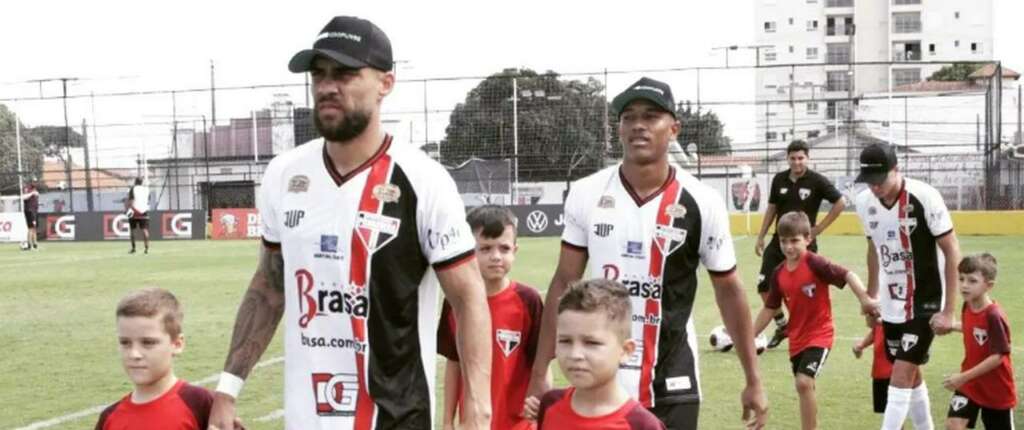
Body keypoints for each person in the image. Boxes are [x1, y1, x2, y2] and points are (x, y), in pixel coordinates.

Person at [207, 16, 493, 430]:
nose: (326, 86)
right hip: (307, 418)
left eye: (344, 74)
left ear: (385, 84)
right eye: (318, 75)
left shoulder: (424, 180)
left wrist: (478, 410)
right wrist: (228, 389)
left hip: (397, 418)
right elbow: (269, 288)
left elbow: (469, 300)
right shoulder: (284, 175)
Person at [528, 77, 768, 429]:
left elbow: (729, 290)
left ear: (673, 129)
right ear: (619, 128)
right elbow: (565, 280)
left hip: (673, 382)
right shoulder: (586, 193)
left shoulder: (703, 201)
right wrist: (540, 370)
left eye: (651, 116)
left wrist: (754, 378)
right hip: (599, 384)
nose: (638, 124)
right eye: (629, 116)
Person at [853, 142, 961, 430]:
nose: (875, 188)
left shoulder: (924, 196)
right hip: (890, 303)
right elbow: (874, 250)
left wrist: (949, 310)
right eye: (869, 182)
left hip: (926, 298)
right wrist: (871, 296)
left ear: (896, 170)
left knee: (899, 374)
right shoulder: (863, 202)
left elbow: (952, 250)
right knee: (911, 373)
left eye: (880, 180)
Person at [750, 212, 878, 430]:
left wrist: (865, 298)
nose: (788, 247)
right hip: (797, 340)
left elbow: (847, 275)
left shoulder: (815, 263)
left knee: (803, 382)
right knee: (804, 387)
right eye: (783, 241)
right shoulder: (778, 273)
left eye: (795, 241)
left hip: (820, 334)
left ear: (808, 239)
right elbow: (770, 308)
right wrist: (748, 335)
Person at [437, 205, 544, 430]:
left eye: (504, 248)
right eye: (485, 249)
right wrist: (447, 420)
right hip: (473, 423)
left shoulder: (528, 300)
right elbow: (454, 363)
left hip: (518, 425)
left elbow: (540, 366)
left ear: (515, 250)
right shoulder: (455, 300)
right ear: (468, 250)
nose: (496, 257)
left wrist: (539, 417)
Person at [531, 279, 665, 430]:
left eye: (591, 343)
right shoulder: (550, 404)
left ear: (626, 350)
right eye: (566, 341)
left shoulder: (642, 425)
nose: (575, 354)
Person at [754, 140, 846, 349]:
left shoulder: (817, 181)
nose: (797, 162)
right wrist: (761, 235)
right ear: (787, 159)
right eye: (793, 158)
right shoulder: (779, 179)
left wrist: (819, 228)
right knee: (763, 286)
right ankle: (782, 325)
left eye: (801, 158)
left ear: (807, 158)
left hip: (804, 245)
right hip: (779, 243)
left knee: (802, 291)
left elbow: (840, 202)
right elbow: (772, 208)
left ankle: (808, 331)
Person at [95, 288, 216, 430]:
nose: (134, 354)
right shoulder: (110, 418)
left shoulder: (201, 403)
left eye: (148, 342)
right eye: (125, 342)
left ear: (177, 344)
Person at [943, 253, 1016, 430]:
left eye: (972, 281)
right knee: (954, 425)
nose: (964, 285)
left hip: (996, 390)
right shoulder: (967, 305)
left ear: (988, 286)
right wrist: (951, 326)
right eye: (961, 279)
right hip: (970, 385)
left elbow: (998, 356)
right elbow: (972, 327)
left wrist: (962, 377)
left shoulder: (994, 315)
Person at [852, 324, 894, 417]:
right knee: (890, 413)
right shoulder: (881, 320)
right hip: (881, 371)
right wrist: (862, 345)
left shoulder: (892, 318)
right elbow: (876, 330)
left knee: (894, 412)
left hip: (893, 372)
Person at [126, 178, 151, 254]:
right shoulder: (146, 189)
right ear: (142, 182)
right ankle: (146, 248)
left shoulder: (133, 189)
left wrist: (128, 210)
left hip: (134, 210)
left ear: (135, 182)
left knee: (132, 229)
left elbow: (131, 201)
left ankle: (133, 248)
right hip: (144, 211)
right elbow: (148, 200)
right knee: (145, 229)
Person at [20, 181, 39, 250]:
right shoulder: (27, 189)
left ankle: (35, 245)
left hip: (34, 211)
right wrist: (32, 193)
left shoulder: (35, 190)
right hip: (29, 211)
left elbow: (34, 199)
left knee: (34, 228)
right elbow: (24, 197)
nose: (35, 183)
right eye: (34, 182)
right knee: (31, 228)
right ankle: (29, 245)